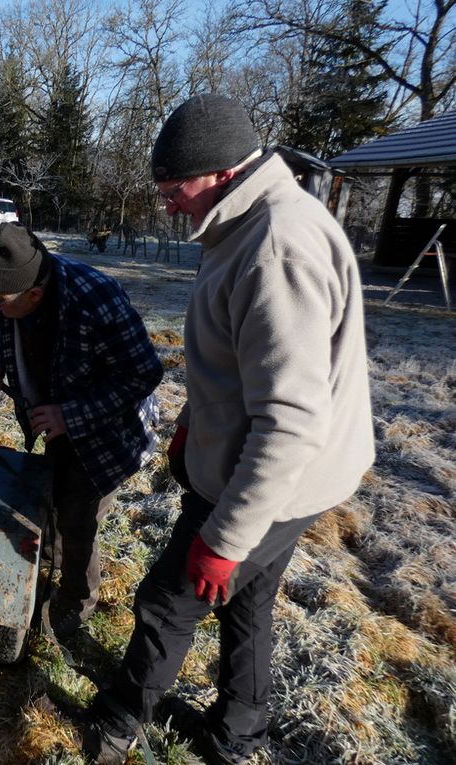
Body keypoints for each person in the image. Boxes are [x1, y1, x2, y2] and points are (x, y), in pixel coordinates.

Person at [84, 94, 374, 764]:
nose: (167, 204)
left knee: (168, 601)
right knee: (249, 602)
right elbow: (244, 368)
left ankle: (119, 723)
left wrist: (226, 537)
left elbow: (292, 422)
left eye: (173, 188)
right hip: (272, 465)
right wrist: (195, 425)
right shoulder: (243, 223)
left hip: (277, 474)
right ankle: (238, 735)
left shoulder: (276, 247)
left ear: (221, 170)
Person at [0, 222, 163, 641]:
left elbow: (145, 373)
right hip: (55, 418)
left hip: (106, 433)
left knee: (78, 521)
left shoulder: (96, 299)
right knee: (55, 501)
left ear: (35, 295)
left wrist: (70, 416)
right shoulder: (13, 290)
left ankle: (76, 605)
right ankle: (53, 566)